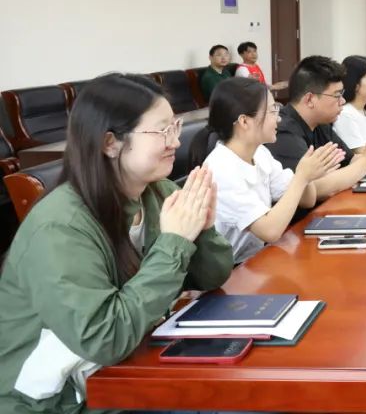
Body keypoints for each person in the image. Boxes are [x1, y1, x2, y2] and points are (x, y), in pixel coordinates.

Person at [0, 74, 233, 412]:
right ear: (110, 143)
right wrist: (174, 242)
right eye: (161, 131)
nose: (175, 141)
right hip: (54, 401)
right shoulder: (59, 227)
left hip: (125, 370)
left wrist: (204, 229)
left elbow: (212, 276)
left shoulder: (159, 192)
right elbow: (104, 338)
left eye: (175, 127)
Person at [193, 77, 345, 263]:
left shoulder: (260, 153)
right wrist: (301, 177)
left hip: (255, 259)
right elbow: (270, 231)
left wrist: (306, 176)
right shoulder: (221, 169)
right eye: (273, 111)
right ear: (244, 121)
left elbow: (307, 200)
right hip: (232, 270)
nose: (279, 118)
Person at [265, 55, 366, 193]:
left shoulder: (321, 124)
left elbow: (351, 161)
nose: (343, 101)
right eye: (337, 95)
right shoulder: (283, 131)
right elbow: (313, 189)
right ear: (309, 100)